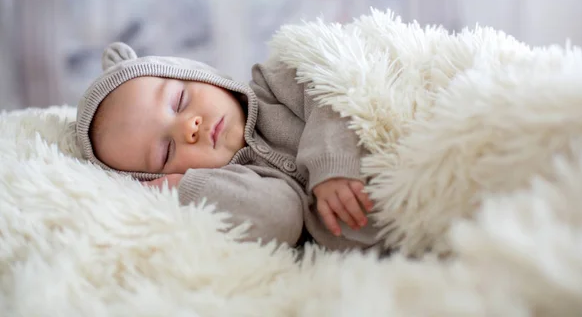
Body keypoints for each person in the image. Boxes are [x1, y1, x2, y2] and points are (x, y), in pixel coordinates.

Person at [75, 42, 383, 251]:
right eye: (166, 152)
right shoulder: (241, 185)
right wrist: (186, 188)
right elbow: (281, 217)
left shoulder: (275, 83)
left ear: (195, 74)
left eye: (180, 101)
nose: (188, 127)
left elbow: (335, 85)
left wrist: (332, 164)